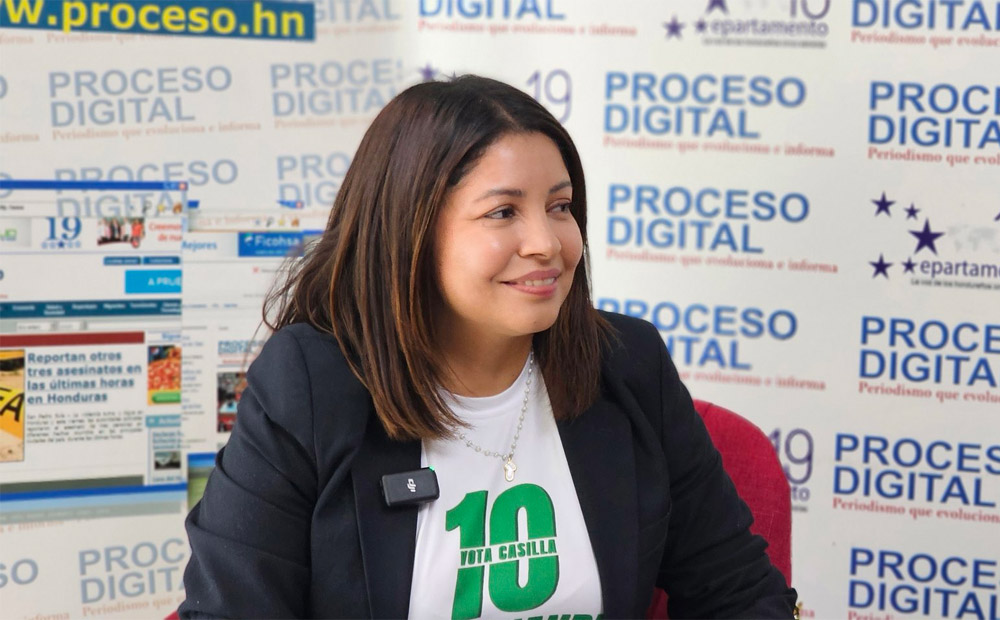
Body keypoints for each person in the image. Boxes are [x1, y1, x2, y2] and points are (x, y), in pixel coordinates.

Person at [180, 75, 797, 619]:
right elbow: (231, 609)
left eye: (560, 207)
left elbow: (739, 594)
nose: (546, 242)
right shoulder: (310, 385)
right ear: (411, 231)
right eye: (503, 212)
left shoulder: (628, 363)